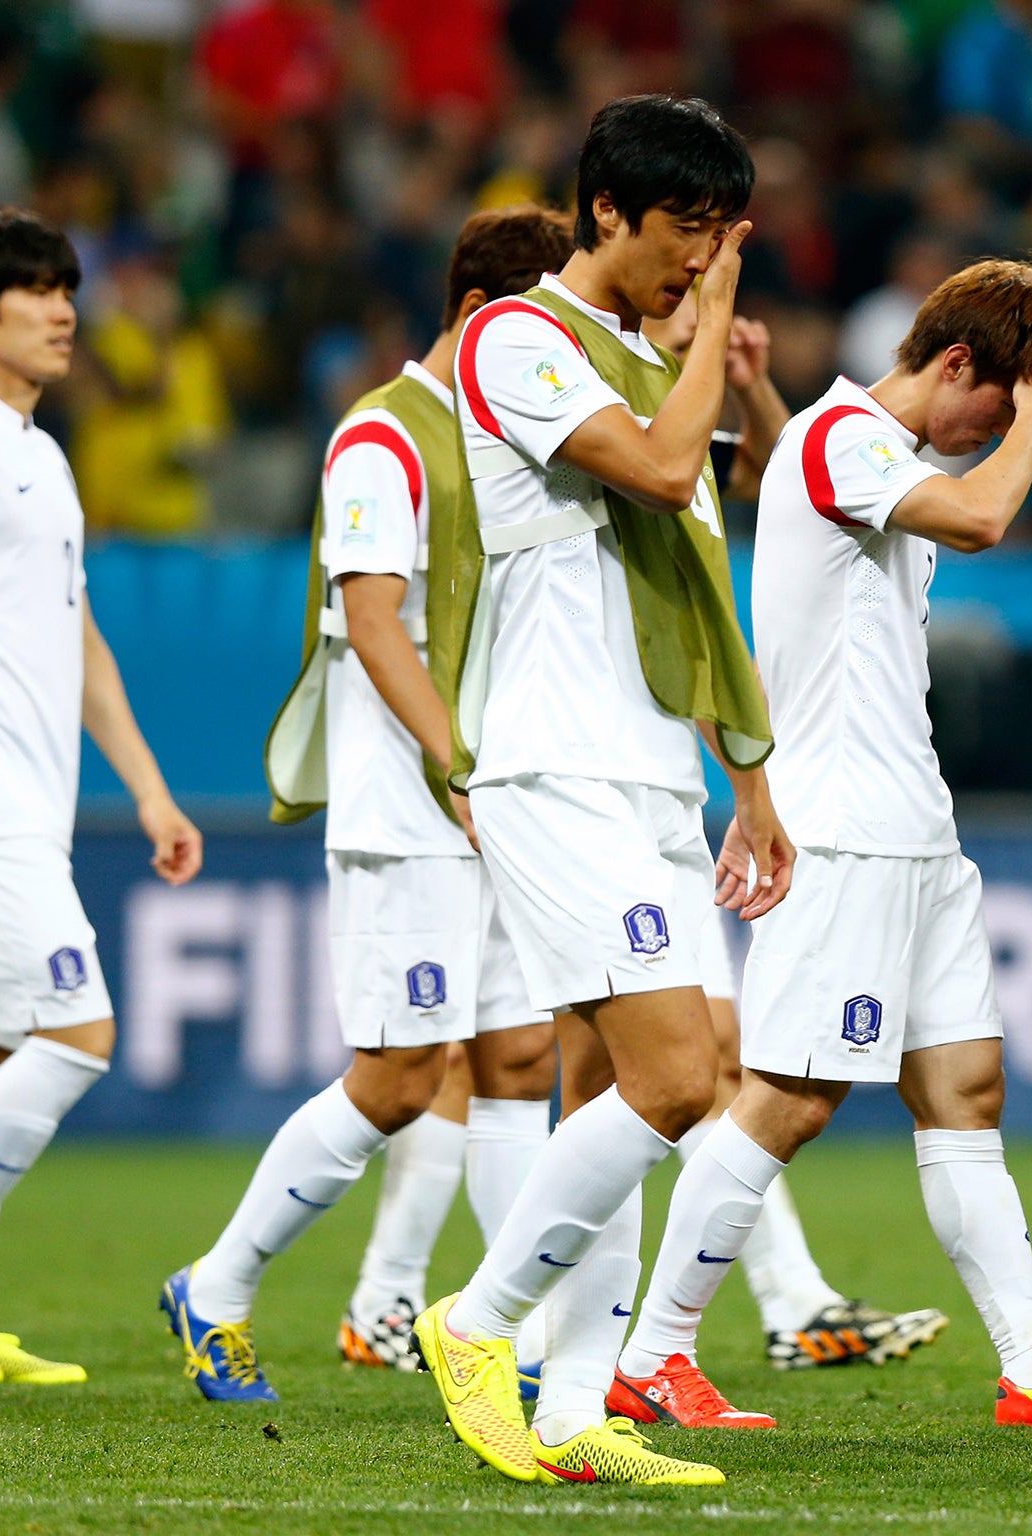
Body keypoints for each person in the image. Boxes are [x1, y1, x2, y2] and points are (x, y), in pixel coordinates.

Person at [607, 258, 1032, 1433]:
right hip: (842, 832)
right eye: (998, 408)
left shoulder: (853, 452)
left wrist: (756, 393)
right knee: (789, 1096)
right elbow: (980, 521)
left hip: (914, 829)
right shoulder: (850, 442)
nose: (994, 437)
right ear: (958, 365)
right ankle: (652, 1355)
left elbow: (788, 492)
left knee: (964, 1089)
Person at [413, 94, 791, 1489]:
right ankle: (476, 1323)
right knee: (680, 1078)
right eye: (685, 227)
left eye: (721, 233)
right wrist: (707, 335)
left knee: (619, 1090)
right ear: (608, 211)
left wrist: (747, 780)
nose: (699, 256)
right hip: (552, 765)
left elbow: (698, 593)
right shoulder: (520, 339)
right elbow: (667, 470)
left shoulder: (642, 358)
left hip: (646, 774)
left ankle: (577, 1406)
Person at [159, 206, 575, 1403]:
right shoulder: (382, 438)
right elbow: (376, 623)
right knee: (399, 1078)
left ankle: (513, 1340)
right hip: (411, 813)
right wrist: (457, 766)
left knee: (516, 1058)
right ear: (484, 313)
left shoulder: (505, 443)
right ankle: (218, 1284)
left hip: (495, 804)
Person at [0, 208, 204, 1384]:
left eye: (68, 287)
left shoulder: (40, 452)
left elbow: (78, 640)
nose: (66, 310)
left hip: (30, 800)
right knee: (79, 1035)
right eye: (37, 290)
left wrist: (151, 793)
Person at [642, 291, 952, 1376]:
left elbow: (786, 484)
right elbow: (682, 628)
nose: (696, 321)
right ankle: (525, 1327)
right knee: (647, 1073)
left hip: (681, 781)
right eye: (679, 300)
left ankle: (784, 1305)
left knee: (707, 1069)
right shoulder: (619, 434)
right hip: (622, 777)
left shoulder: (693, 433)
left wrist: (752, 390)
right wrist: (750, 782)